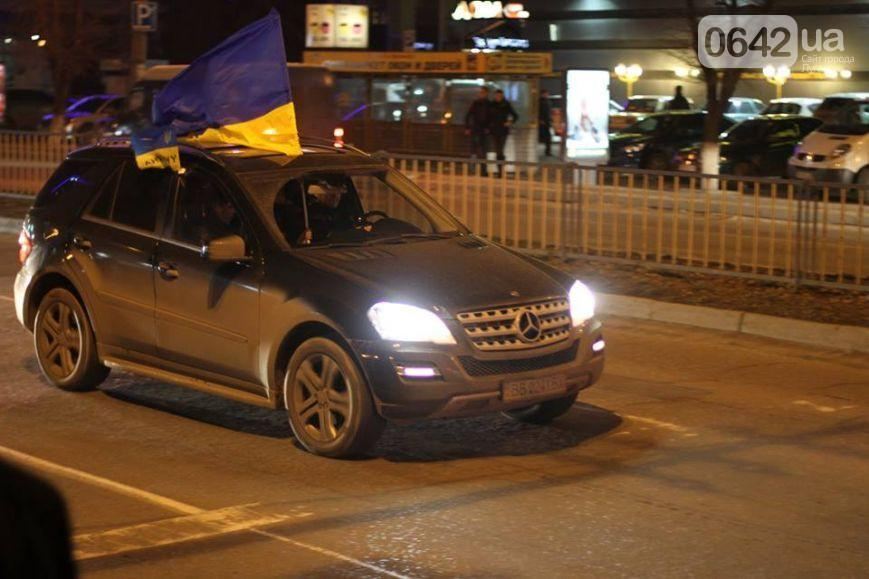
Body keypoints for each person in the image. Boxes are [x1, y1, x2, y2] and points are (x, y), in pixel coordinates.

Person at [489, 89, 519, 176]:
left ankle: (500, 171)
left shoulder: (506, 104)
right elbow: (488, 116)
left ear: (502, 96)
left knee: (500, 150)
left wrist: (509, 122)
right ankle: (499, 170)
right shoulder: (492, 104)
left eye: (499, 96)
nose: (498, 97)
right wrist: (489, 126)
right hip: (494, 130)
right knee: (497, 150)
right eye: (497, 96)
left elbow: (515, 115)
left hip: (503, 130)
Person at [464, 86, 491, 176]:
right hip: (475, 129)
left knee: (483, 151)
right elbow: (468, 115)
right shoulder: (476, 103)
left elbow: (492, 117)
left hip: (484, 131)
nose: (481, 94)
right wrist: (468, 127)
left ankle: (483, 171)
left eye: (483, 92)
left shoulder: (489, 104)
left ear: (487, 94)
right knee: (474, 150)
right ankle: (472, 169)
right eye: (481, 92)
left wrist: (489, 127)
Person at [538, 89, 553, 157]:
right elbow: (539, 111)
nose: (547, 95)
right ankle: (547, 151)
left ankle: (548, 151)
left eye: (547, 94)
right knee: (543, 136)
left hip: (547, 121)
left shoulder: (548, 101)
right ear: (542, 94)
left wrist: (550, 120)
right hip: (542, 122)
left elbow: (549, 112)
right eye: (545, 94)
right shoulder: (540, 102)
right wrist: (540, 119)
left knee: (548, 137)